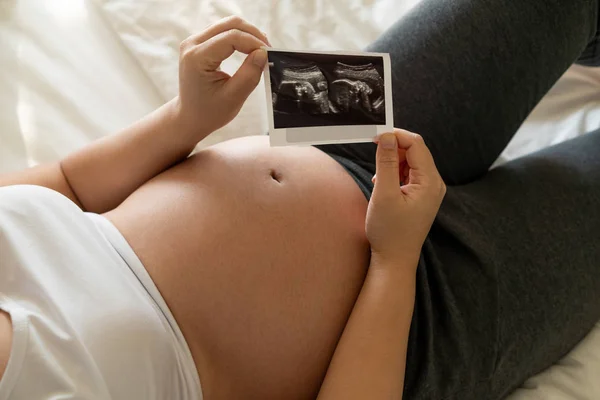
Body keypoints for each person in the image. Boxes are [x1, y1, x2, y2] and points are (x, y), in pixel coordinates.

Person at [0, 0, 599, 398]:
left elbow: (70, 185)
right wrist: (394, 261)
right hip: (423, 316)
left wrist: (184, 120)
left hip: (325, 128)